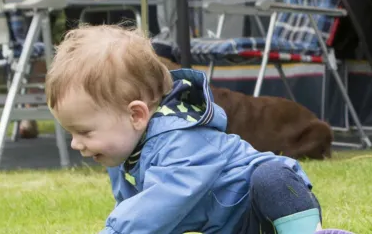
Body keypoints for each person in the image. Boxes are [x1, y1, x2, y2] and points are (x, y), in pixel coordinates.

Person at [46, 25, 330, 234]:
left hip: (263, 207)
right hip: (235, 227)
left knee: (271, 177)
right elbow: (138, 211)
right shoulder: (125, 151)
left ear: (136, 114)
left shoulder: (179, 139)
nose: (75, 143)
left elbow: (160, 205)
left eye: (84, 131)